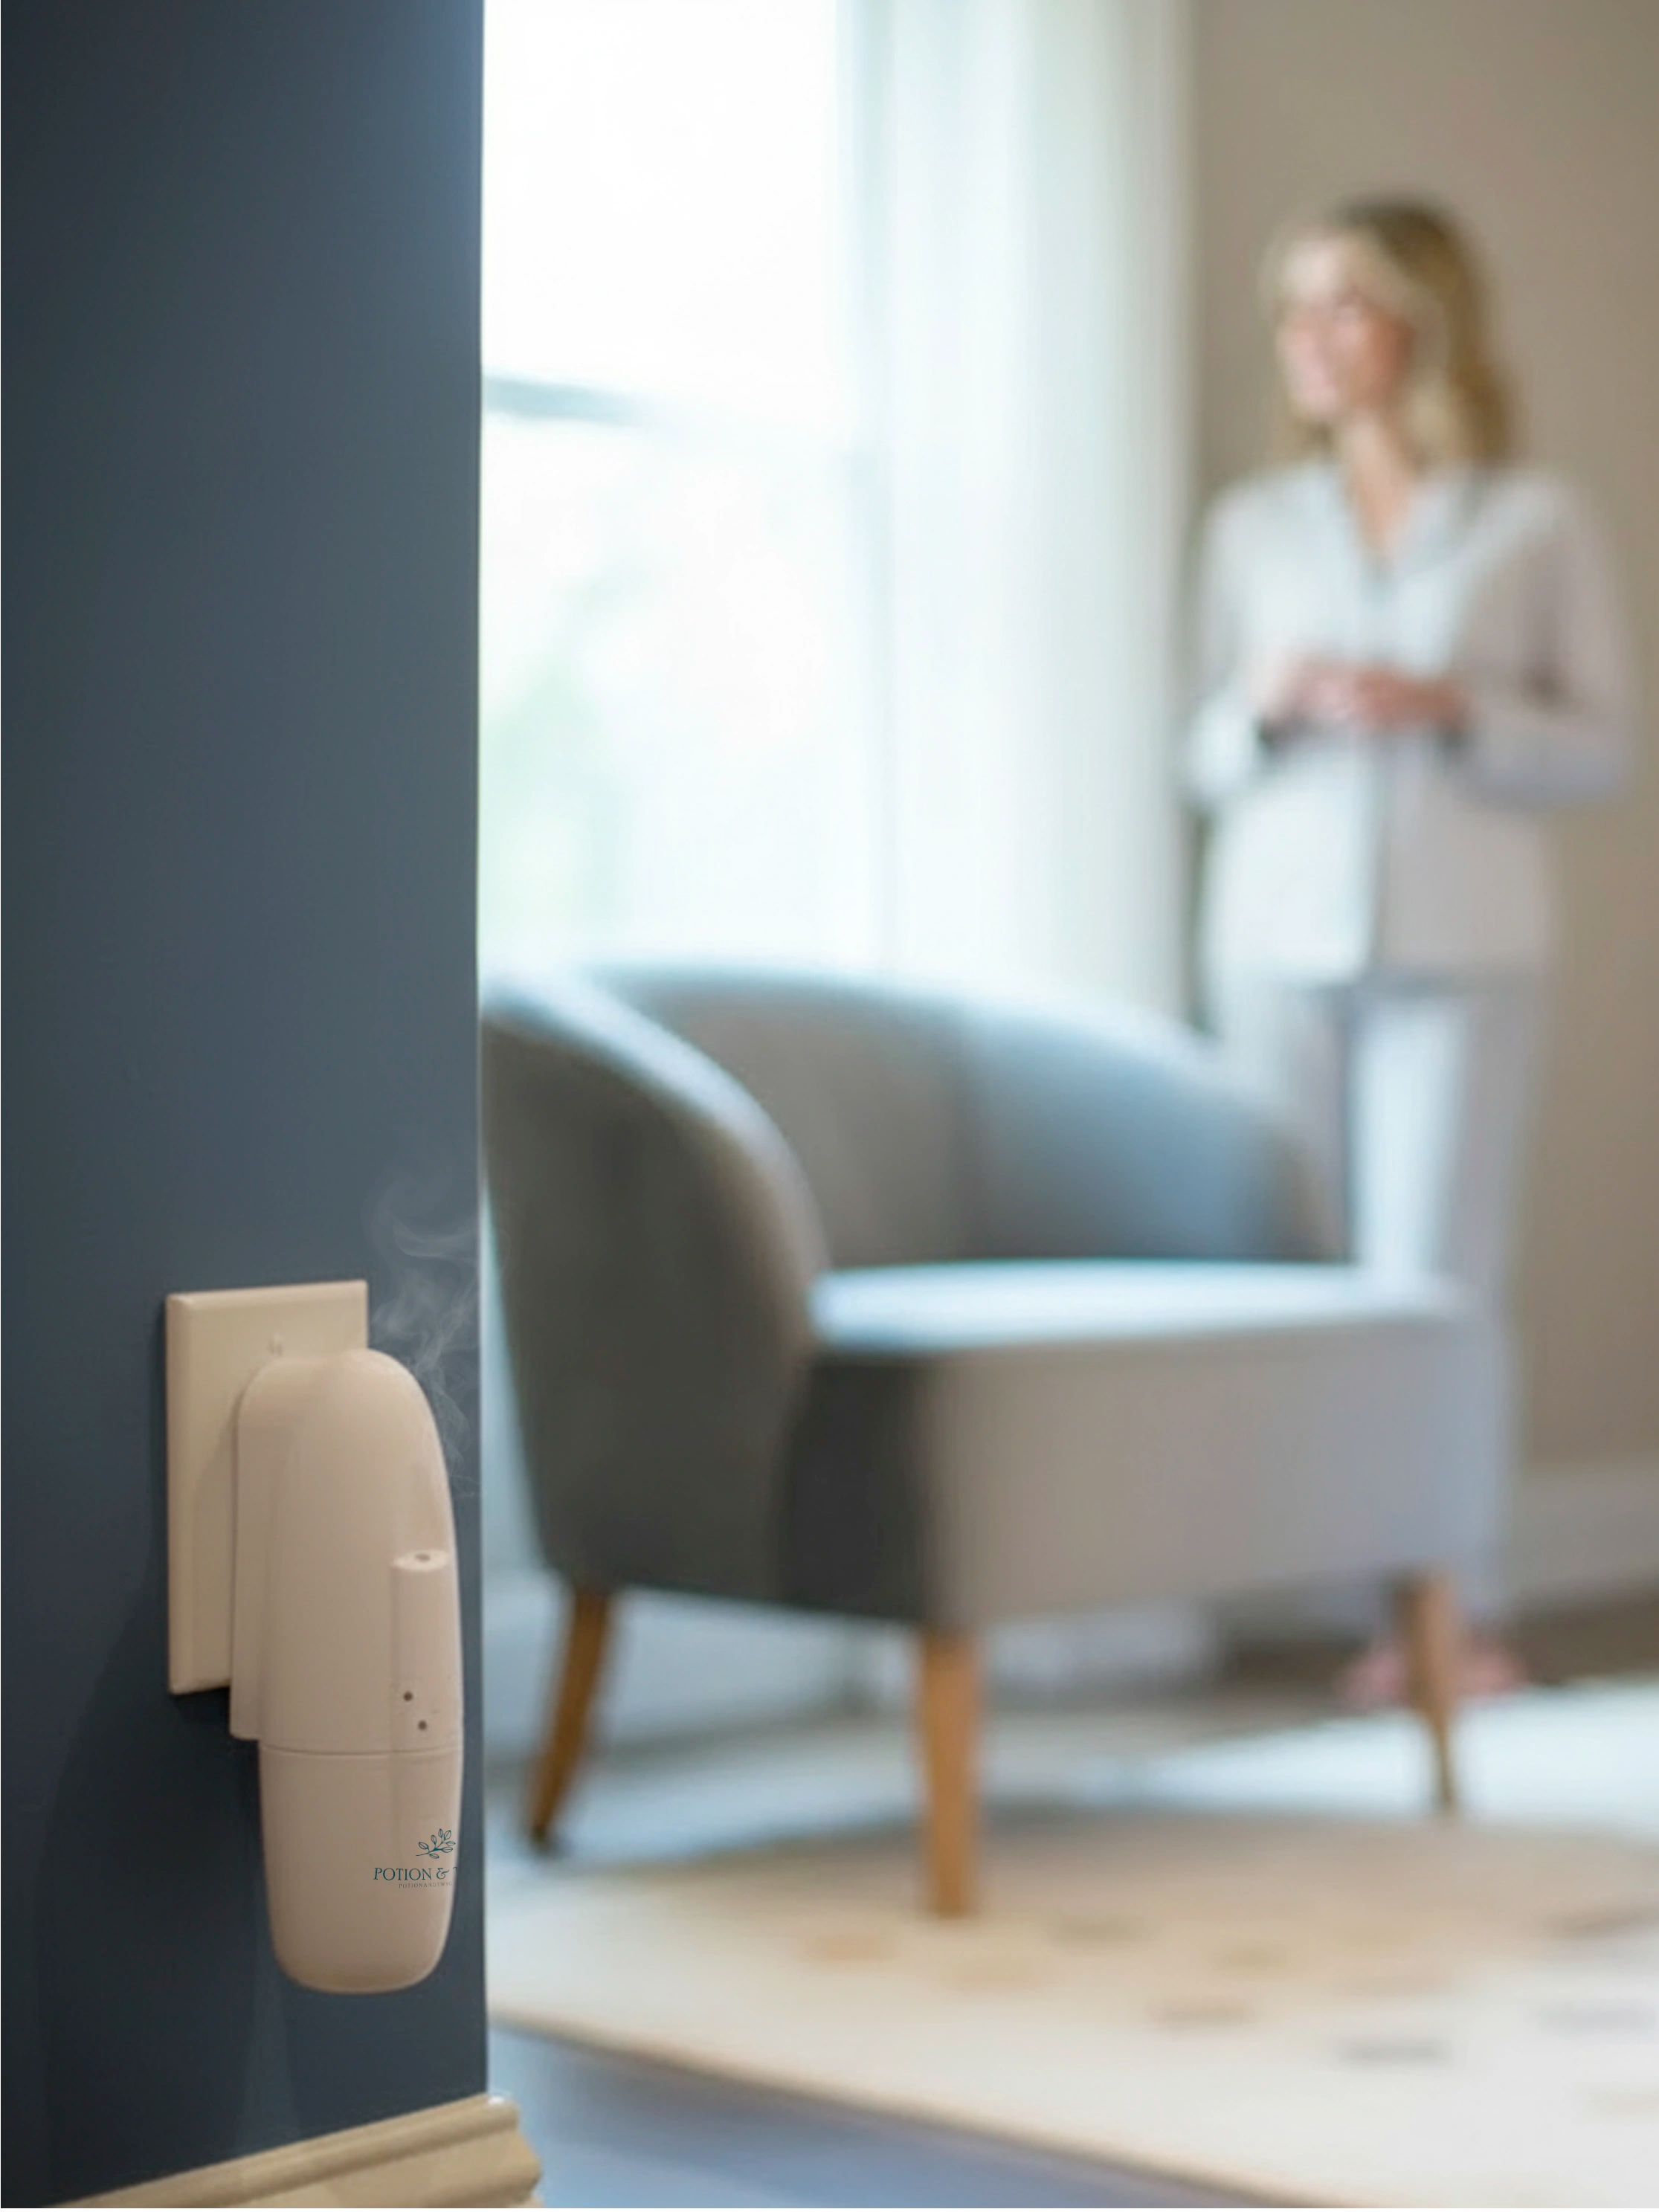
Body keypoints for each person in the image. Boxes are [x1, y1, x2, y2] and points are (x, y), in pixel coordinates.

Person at [1184, 197, 1637, 1705]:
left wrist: (1450, 709)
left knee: (1434, 1281)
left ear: (1419, 325)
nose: (1309, 339)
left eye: (1344, 304)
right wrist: (1266, 710)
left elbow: (1602, 746)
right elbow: (1194, 751)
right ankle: (1331, 1591)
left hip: (1461, 939)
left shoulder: (1530, 520)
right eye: (1293, 308)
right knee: (1303, 1279)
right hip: (1273, 937)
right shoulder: (1252, 527)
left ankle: (1452, 1613)